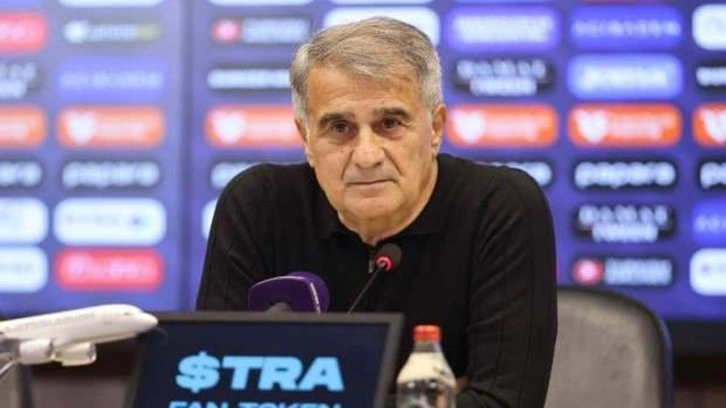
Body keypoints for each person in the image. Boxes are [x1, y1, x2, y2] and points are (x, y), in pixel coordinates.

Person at [196, 17, 557, 407]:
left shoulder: (498, 207)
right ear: (306, 139)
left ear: (435, 128)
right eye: (340, 128)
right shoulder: (259, 205)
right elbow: (209, 390)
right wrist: (424, 400)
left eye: (389, 124)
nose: (367, 156)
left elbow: (503, 402)